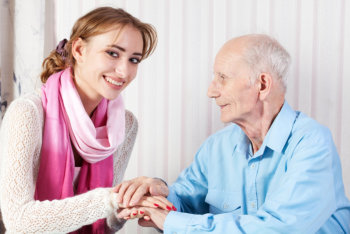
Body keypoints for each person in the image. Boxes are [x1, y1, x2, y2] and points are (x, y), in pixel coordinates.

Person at [115, 34, 350, 233]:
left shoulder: (311, 142)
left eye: (222, 78)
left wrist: (172, 222)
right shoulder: (217, 146)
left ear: (262, 85)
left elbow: (280, 228)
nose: (211, 91)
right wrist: (158, 194)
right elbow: (185, 203)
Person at [0, 6, 172, 233]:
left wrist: (131, 202)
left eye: (134, 59)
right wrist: (110, 199)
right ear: (79, 50)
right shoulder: (27, 114)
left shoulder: (125, 124)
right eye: (113, 53)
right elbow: (18, 220)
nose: (124, 71)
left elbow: (106, 224)